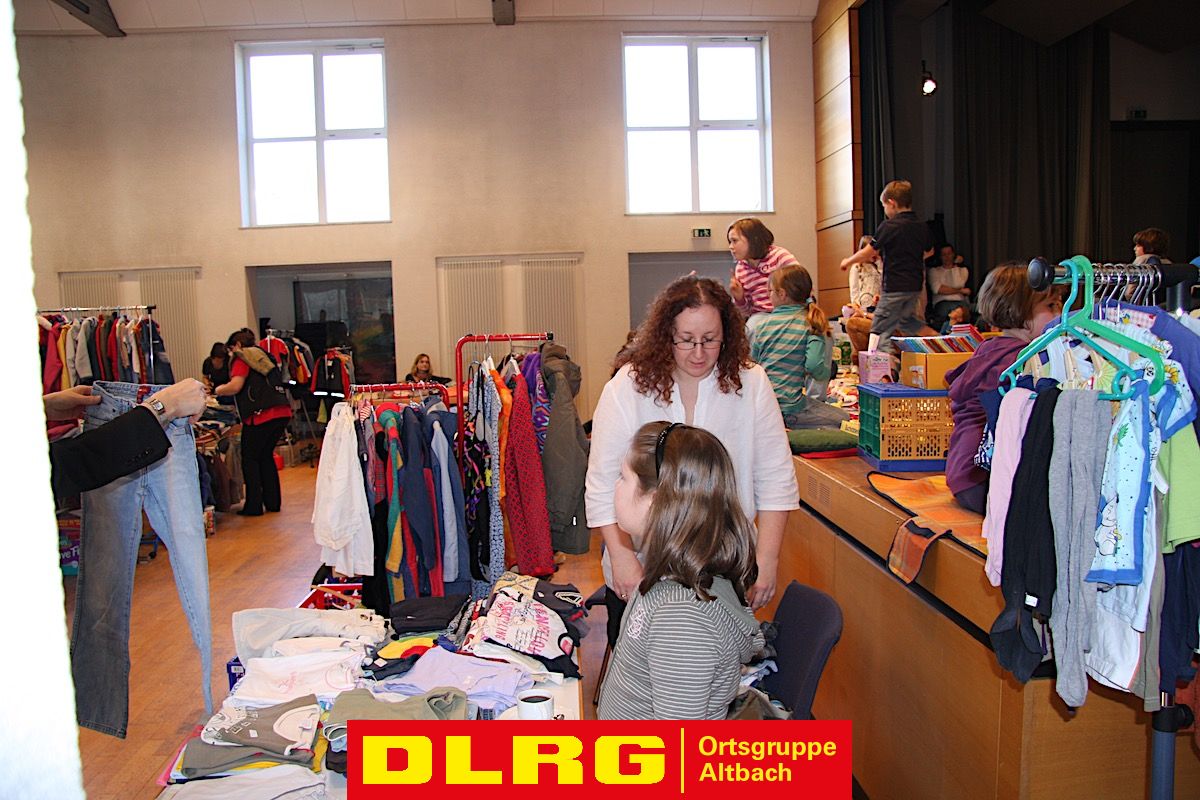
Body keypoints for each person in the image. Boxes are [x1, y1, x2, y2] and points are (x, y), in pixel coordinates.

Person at [585, 275, 798, 647]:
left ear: (726, 336)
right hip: (644, 565)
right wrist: (621, 555)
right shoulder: (627, 387)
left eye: (710, 340)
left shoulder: (751, 384)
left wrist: (767, 560)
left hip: (725, 569)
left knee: (713, 668)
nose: (698, 353)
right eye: (686, 340)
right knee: (639, 670)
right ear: (665, 334)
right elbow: (602, 482)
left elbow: (776, 480)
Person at [596, 421, 764, 720]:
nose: (615, 487)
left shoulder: (680, 617)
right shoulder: (671, 581)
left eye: (623, 477)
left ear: (655, 502)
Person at [944, 263, 1063, 513]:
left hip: (963, 475)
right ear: (1022, 313)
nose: (1059, 314)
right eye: (1051, 306)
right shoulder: (1023, 361)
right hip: (987, 482)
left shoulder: (989, 350)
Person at [45, 379, 208, 498]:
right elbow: (73, 465)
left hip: (124, 423)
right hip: (138, 423)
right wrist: (160, 408)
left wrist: (43, 408)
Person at [839, 180, 936, 356]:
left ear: (892, 203)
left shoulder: (889, 226)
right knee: (907, 323)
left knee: (879, 327)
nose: (885, 210)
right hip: (915, 286)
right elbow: (929, 251)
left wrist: (848, 261)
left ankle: (884, 366)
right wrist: (911, 257)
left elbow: (869, 251)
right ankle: (939, 342)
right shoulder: (921, 226)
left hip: (895, 285)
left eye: (884, 206)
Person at [749, 265, 845, 429]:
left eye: (770, 291)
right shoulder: (811, 323)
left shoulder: (761, 325)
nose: (768, 295)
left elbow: (751, 365)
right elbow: (814, 365)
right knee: (845, 420)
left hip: (763, 406)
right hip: (790, 409)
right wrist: (824, 373)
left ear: (782, 294)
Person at [213, 329, 292, 516]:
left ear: (238, 345)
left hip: (261, 415)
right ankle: (273, 502)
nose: (231, 353)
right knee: (265, 456)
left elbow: (236, 386)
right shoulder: (264, 355)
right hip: (281, 410)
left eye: (231, 348)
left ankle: (254, 505)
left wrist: (218, 390)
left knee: (250, 459)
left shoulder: (243, 357)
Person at [726, 218, 801, 322]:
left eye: (734, 241)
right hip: (760, 316)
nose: (730, 247)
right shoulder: (740, 269)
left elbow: (802, 285)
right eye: (730, 242)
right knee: (753, 325)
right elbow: (746, 312)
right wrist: (739, 298)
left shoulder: (780, 256)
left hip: (788, 311)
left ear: (753, 240)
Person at [929, 244, 972, 330]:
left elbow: (959, 284)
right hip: (942, 302)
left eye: (949, 253)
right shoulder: (934, 271)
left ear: (953, 254)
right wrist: (960, 291)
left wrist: (954, 267)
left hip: (960, 301)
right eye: (944, 254)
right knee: (948, 311)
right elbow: (938, 289)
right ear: (940, 257)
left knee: (963, 311)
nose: (947, 257)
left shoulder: (962, 270)